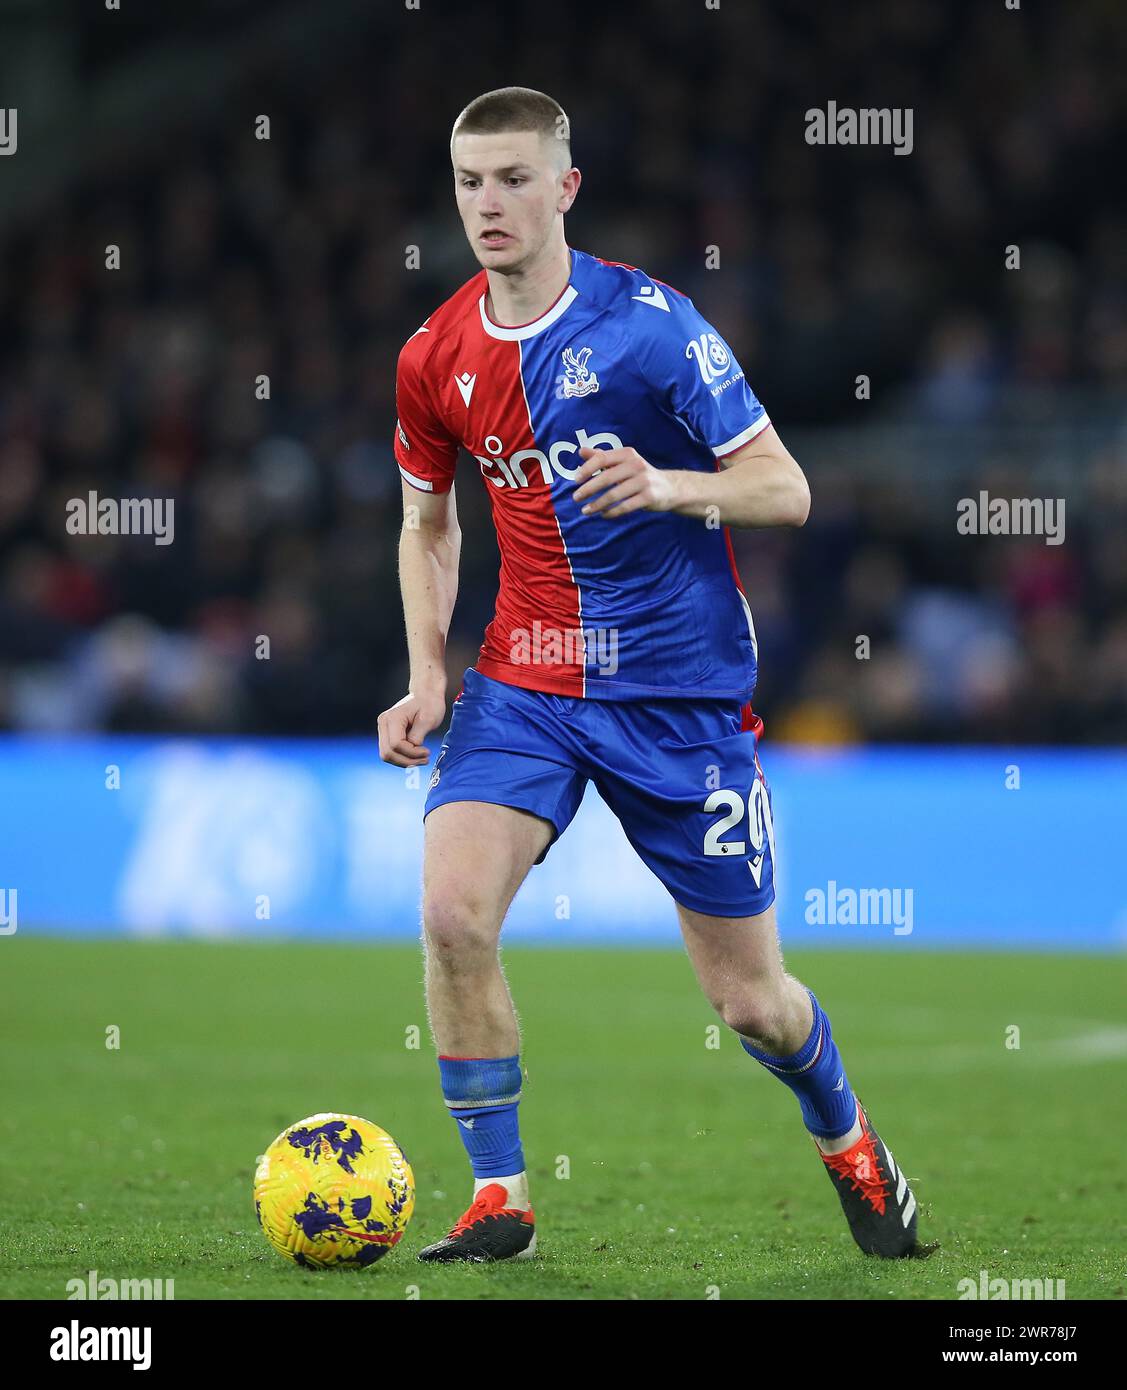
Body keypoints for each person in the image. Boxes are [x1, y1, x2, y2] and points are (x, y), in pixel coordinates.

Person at [379, 86, 919, 1263]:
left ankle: (850, 1140)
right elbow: (427, 524)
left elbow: (786, 488)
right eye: (471, 181)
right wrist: (428, 673)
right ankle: (501, 1198)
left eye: (514, 178)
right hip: (523, 683)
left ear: (564, 187)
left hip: (675, 696)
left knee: (750, 1003)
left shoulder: (652, 327)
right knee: (451, 914)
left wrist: (673, 483)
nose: (489, 203)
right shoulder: (435, 354)